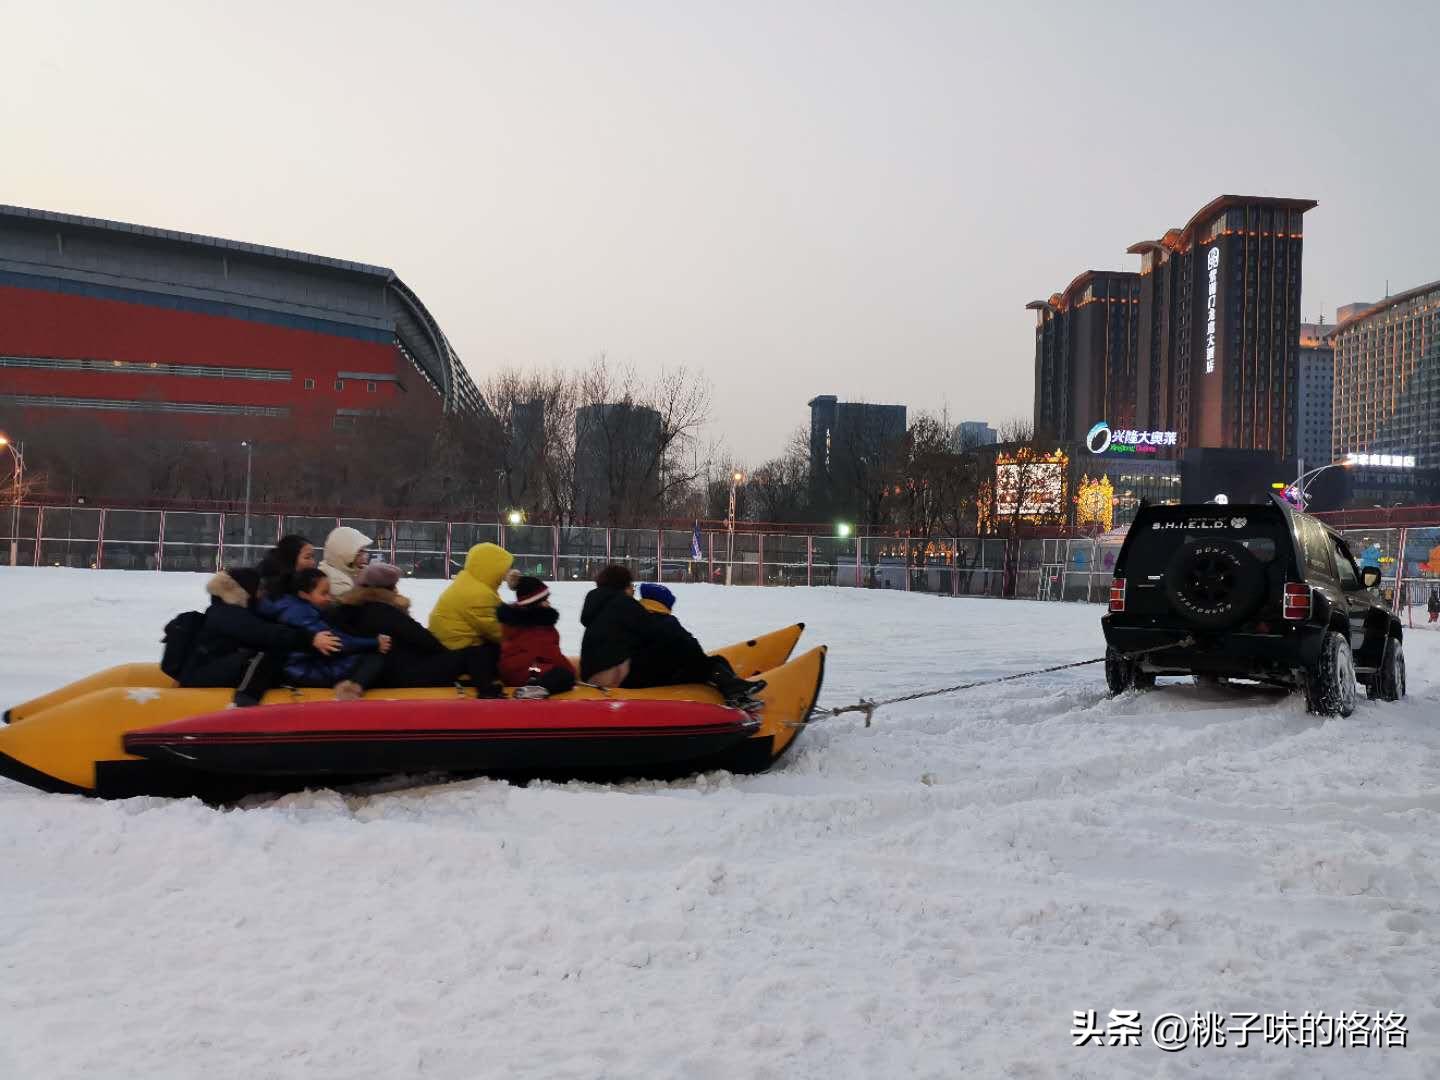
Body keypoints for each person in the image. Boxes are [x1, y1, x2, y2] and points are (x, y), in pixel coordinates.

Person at [579, 566, 763, 706]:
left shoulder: (599, 606)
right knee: (698, 663)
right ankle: (732, 690)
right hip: (617, 678)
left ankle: (728, 683)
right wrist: (693, 656)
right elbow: (661, 634)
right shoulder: (622, 603)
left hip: (593, 676)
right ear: (623, 586)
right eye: (631, 585)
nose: (633, 591)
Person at [331, 562, 502, 694]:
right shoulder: (387, 612)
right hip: (402, 674)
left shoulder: (349, 609)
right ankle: (488, 692)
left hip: (375, 674)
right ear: (390, 588)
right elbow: (425, 640)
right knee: (476, 653)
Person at [179, 567, 338, 707]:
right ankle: (244, 704)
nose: (263, 594)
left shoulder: (233, 610)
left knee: (271, 653)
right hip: (202, 674)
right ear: (246, 590)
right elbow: (264, 633)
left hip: (215, 667)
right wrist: (310, 639)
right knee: (263, 656)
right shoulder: (227, 614)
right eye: (259, 589)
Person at [262, 568, 390, 700]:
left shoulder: (297, 608)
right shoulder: (300, 613)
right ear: (304, 594)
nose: (329, 598)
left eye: (329, 593)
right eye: (323, 593)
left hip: (306, 666)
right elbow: (336, 643)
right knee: (374, 658)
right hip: (307, 671)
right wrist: (374, 643)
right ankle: (350, 691)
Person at [633, 582, 764, 704]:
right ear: (663, 604)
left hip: (637, 673)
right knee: (714, 662)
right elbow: (690, 646)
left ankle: (734, 688)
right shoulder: (667, 622)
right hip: (658, 676)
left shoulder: (635, 617)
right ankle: (734, 692)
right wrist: (701, 662)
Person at [429, 542, 520, 650]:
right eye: (504, 569)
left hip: (447, 642)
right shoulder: (478, 595)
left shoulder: (469, 582)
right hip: (457, 649)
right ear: (491, 568)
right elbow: (497, 632)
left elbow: (495, 610)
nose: (505, 574)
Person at [497, 576, 577, 699]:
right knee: (564, 676)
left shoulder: (514, 621)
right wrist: (571, 672)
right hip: (526, 672)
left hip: (512, 670)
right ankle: (535, 689)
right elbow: (551, 654)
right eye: (545, 600)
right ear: (535, 603)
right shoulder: (539, 626)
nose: (549, 603)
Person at [318, 526, 373, 600]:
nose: (364, 558)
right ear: (344, 554)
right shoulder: (339, 584)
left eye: (364, 551)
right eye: (359, 552)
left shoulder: (329, 567)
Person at [257, 534, 316, 599]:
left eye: (313, 557)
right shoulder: (274, 593)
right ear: (290, 559)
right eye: (307, 557)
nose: (313, 562)